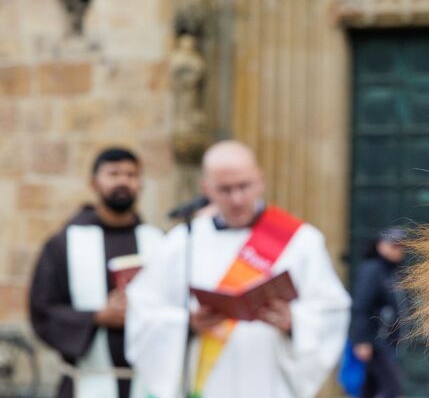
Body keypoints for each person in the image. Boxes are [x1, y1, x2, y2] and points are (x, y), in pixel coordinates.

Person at [126, 140, 351, 398]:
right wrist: (188, 323)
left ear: (261, 180)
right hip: (206, 383)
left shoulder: (301, 241)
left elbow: (332, 311)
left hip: (269, 381)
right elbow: (143, 309)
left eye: (244, 186)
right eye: (224, 189)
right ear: (206, 188)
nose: (237, 199)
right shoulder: (182, 241)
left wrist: (294, 322)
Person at [28, 148, 164, 398]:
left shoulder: (159, 243)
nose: (123, 181)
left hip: (146, 384)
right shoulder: (64, 244)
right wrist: (97, 317)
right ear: (94, 183)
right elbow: (42, 308)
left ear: (140, 184)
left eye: (131, 175)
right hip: (88, 382)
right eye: (113, 174)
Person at [349, 228, 408, 398]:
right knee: (391, 387)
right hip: (375, 341)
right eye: (394, 245)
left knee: (371, 388)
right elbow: (362, 306)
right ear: (380, 245)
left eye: (401, 246)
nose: (399, 250)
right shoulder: (373, 269)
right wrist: (362, 340)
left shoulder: (392, 271)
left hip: (387, 342)